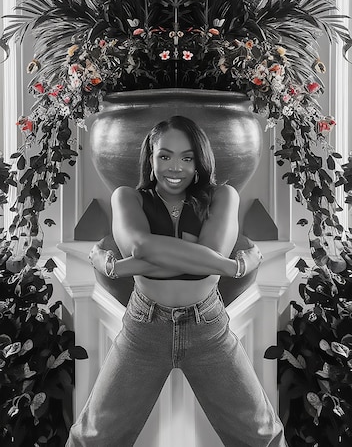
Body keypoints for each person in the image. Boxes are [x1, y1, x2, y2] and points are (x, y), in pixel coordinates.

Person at [66, 115, 287, 447]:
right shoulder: (127, 198)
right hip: (143, 328)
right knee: (92, 438)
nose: (175, 167)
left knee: (262, 436)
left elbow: (198, 260)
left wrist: (124, 267)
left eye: (187, 157)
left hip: (208, 328)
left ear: (199, 161)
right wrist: (230, 266)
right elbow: (146, 246)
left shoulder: (223, 197)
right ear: (150, 158)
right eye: (165, 155)